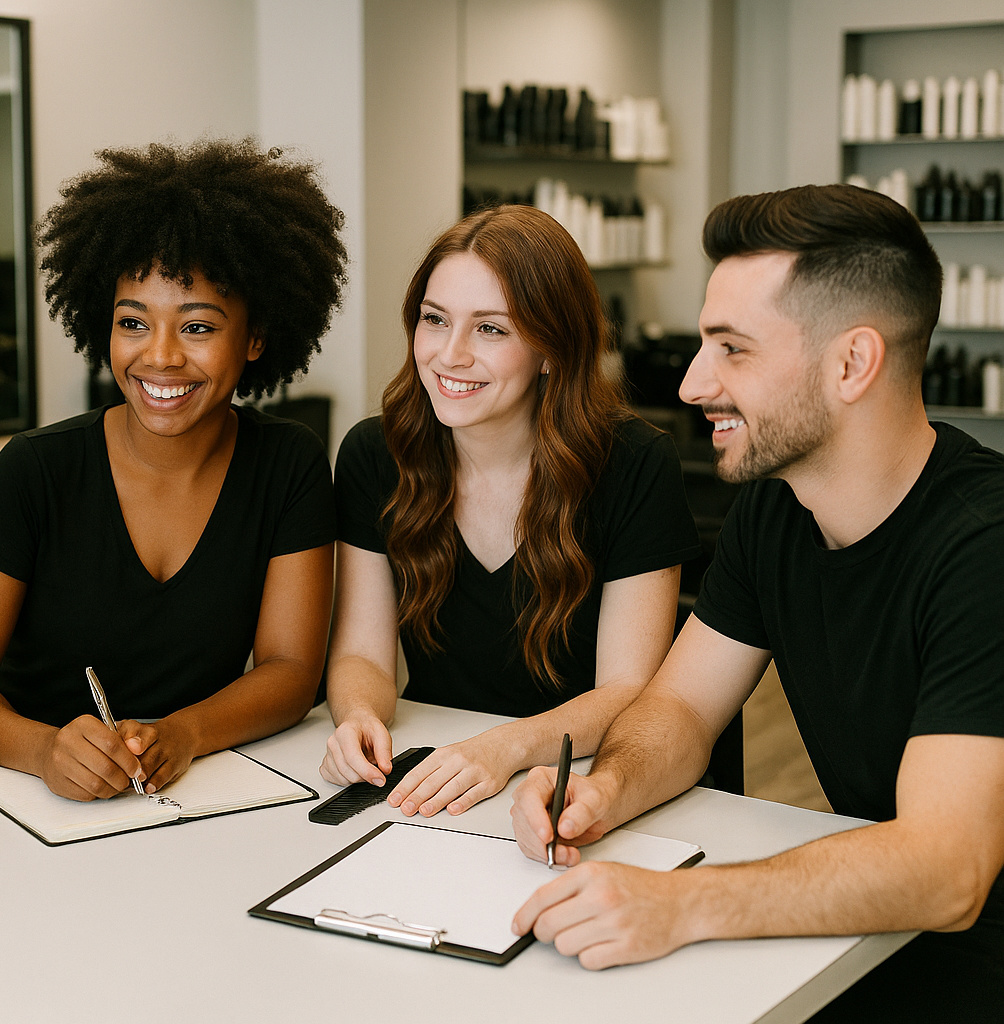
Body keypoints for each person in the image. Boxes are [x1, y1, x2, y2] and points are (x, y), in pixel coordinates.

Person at [509, 184, 1004, 1021]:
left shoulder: (984, 547)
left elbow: (948, 870)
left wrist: (682, 905)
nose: (695, 382)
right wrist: (606, 789)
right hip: (880, 937)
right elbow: (681, 707)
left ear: (852, 364)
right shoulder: (779, 508)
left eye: (732, 349)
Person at [0, 139, 348, 801]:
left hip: (186, 786)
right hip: (22, 792)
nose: (160, 357)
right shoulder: (34, 472)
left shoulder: (287, 464)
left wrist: (183, 732)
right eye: (132, 322)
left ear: (256, 336)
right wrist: (43, 749)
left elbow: (291, 670)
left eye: (199, 327)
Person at [320, 204, 698, 817]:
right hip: (442, 778)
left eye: (491, 329)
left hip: (581, 785)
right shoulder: (375, 454)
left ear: (552, 350)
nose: (450, 354)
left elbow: (629, 690)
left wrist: (504, 748)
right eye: (434, 320)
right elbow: (363, 654)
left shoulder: (634, 463)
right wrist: (358, 716)